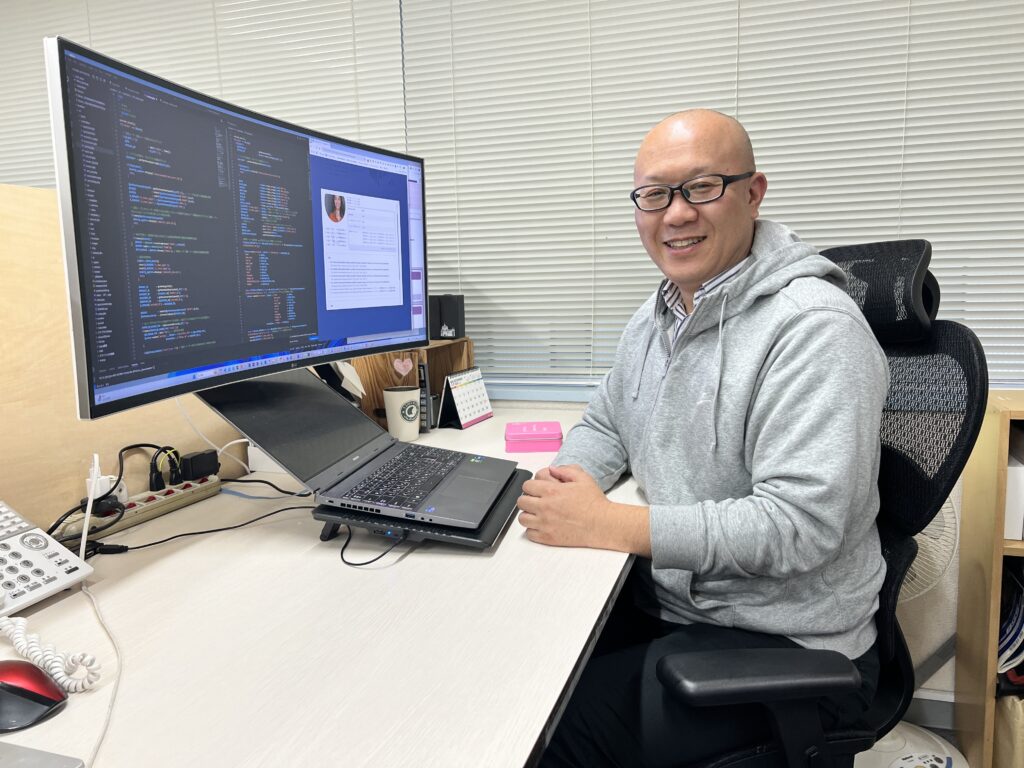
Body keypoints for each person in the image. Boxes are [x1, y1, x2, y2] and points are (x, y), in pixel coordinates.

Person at [517, 109, 890, 767]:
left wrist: (607, 524)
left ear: (753, 192)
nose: (676, 213)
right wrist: (565, 487)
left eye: (702, 187)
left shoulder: (815, 329)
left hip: (786, 643)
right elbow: (607, 422)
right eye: (655, 194)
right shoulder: (659, 313)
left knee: (537, 735)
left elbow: (800, 526)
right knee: (514, 667)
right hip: (681, 604)